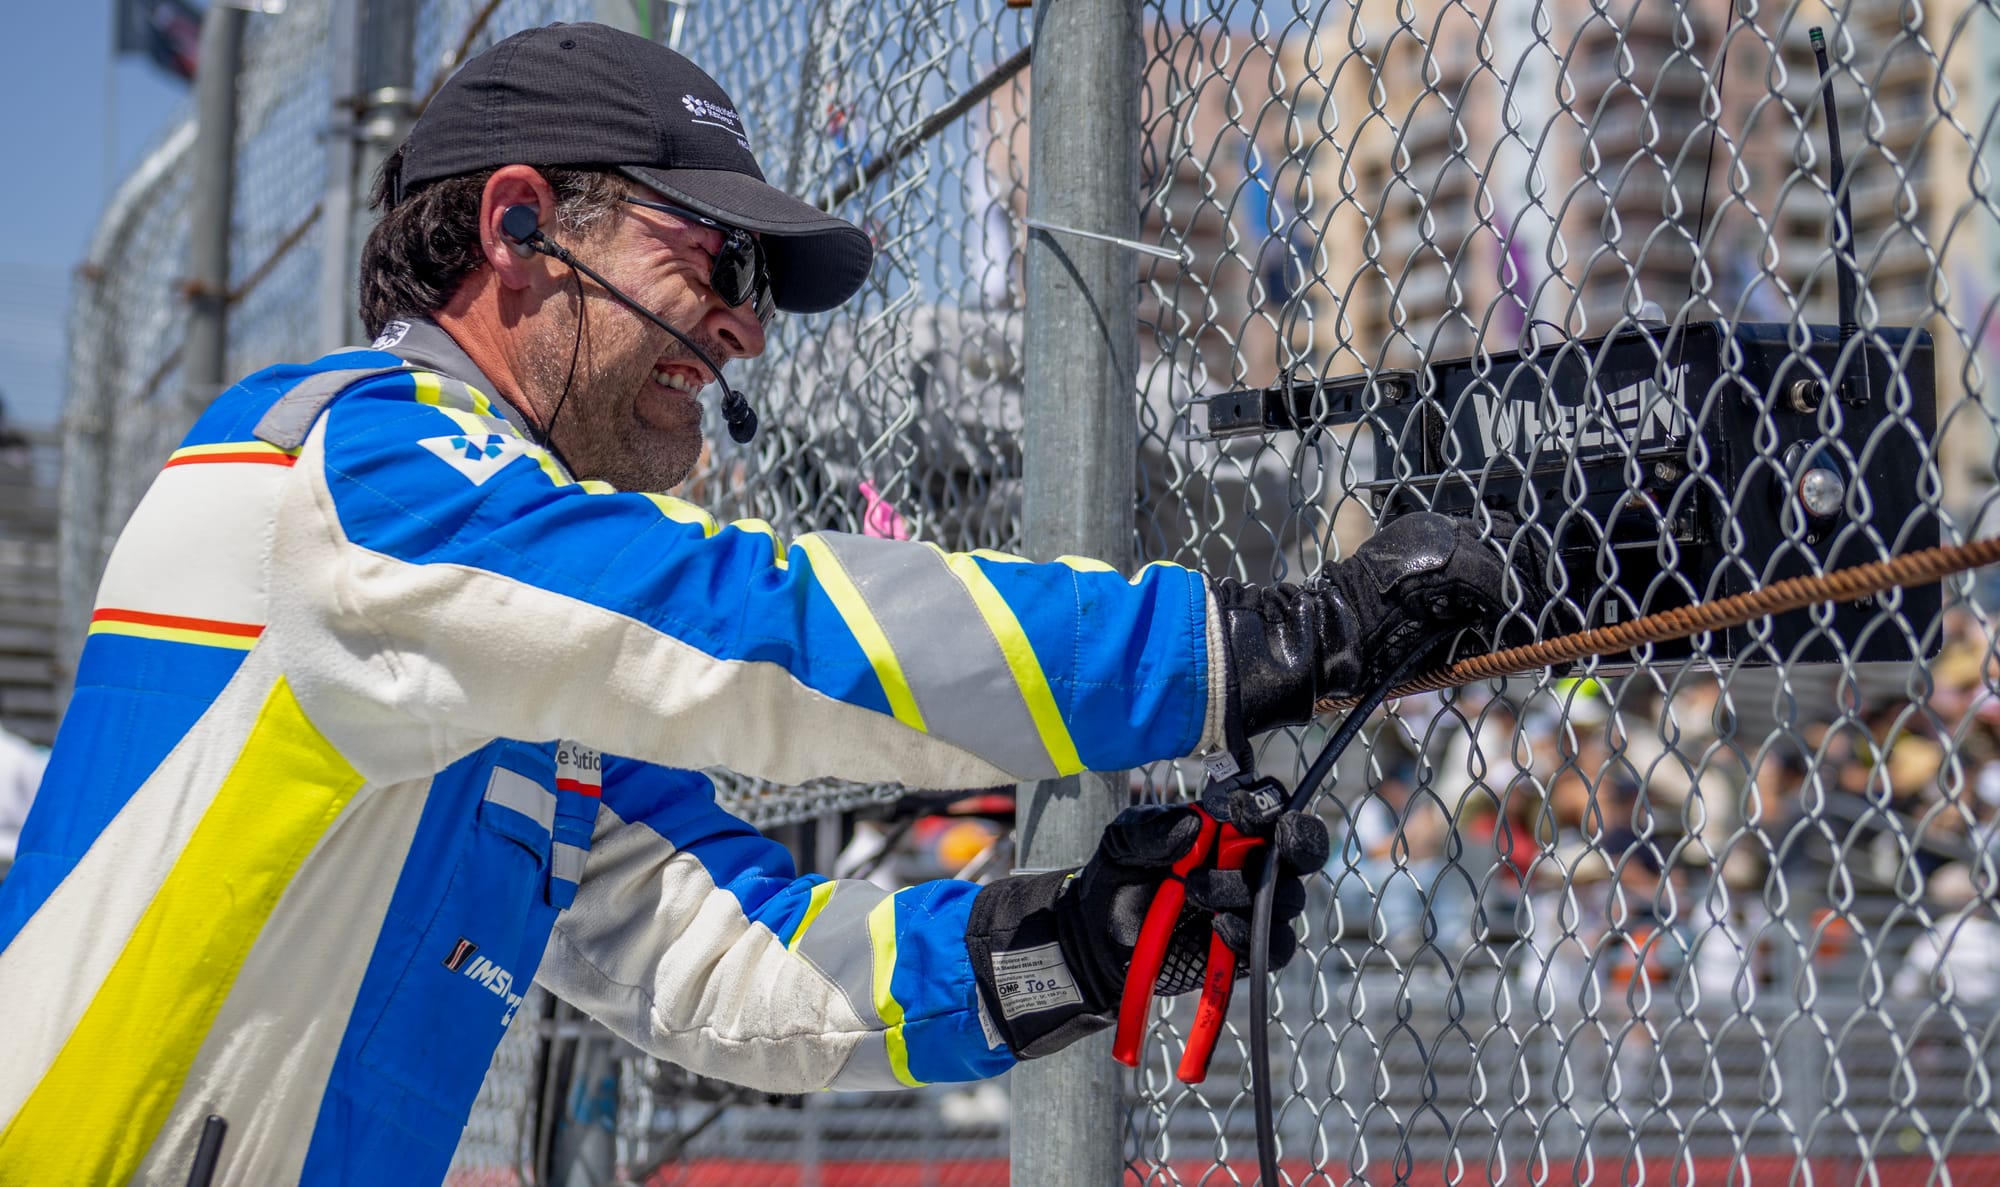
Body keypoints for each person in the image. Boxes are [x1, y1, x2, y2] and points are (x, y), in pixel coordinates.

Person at [0, 23, 1546, 1187]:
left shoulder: (482, 617)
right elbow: (753, 628)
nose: (745, 327)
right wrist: (1263, 642)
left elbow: (730, 961)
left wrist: (1078, 943)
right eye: (716, 254)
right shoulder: (357, 464)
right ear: (519, 229)